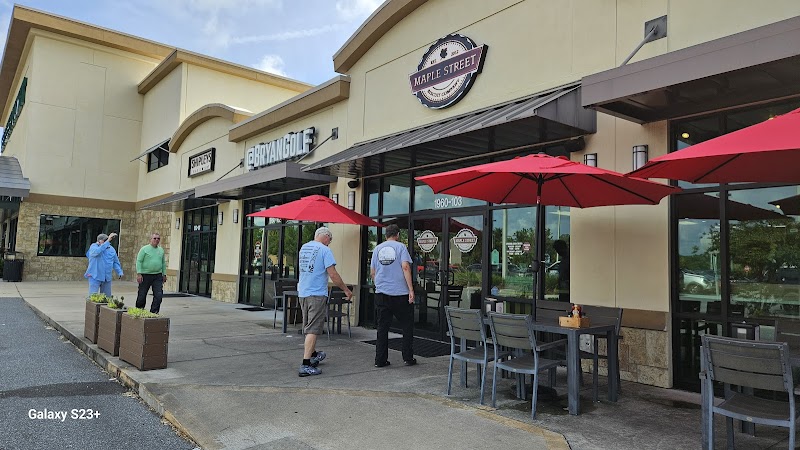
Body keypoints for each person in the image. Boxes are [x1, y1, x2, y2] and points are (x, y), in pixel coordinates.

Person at [297, 227, 353, 377]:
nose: (330, 243)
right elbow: (333, 274)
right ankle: (305, 364)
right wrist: (346, 290)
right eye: (330, 239)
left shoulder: (304, 247)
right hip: (316, 293)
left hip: (303, 292)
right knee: (313, 329)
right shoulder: (324, 250)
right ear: (326, 237)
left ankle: (314, 354)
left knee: (309, 327)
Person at [370, 224, 416, 368]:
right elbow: (406, 267)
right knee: (407, 326)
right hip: (400, 293)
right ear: (397, 235)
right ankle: (408, 357)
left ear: (386, 235)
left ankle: (380, 360)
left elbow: (373, 272)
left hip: (382, 293)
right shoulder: (401, 247)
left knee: (382, 328)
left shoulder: (377, 249)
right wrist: (411, 290)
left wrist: (379, 284)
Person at [135, 233, 167, 314]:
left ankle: (154, 312)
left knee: (158, 295)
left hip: (157, 276)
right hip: (145, 275)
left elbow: (163, 263)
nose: (156, 240)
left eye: (158, 238)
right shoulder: (144, 249)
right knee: (142, 295)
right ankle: (139, 311)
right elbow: (139, 261)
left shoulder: (161, 250)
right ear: (150, 239)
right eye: (155, 238)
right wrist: (139, 273)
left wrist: (164, 274)